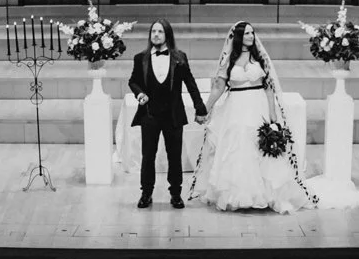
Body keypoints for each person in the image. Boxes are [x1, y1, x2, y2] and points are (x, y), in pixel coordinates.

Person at [191, 21, 317, 214]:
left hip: (258, 104)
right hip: (236, 106)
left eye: (252, 33)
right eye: (247, 33)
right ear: (239, 37)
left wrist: (273, 114)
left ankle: (268, 195)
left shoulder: (260, 59)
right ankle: (239, 195)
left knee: (261, 146)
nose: (251, 36)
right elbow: (218, 86)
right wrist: (205, 108)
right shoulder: (228, 60)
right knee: (237, 147)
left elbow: (268, 87)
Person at [126, 20, 206, 209]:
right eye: (153, 31)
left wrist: (200, 107)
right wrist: (139, 93)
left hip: (173, 114)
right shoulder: (140, 58)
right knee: (148, 156)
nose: (156, 34)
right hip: (149, 114)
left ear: (167, 35)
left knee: (174, 156)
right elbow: (133, 81)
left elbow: (190, 83)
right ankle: (146, 193)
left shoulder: (180, 57)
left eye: (160, 31)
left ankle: (176, 194)